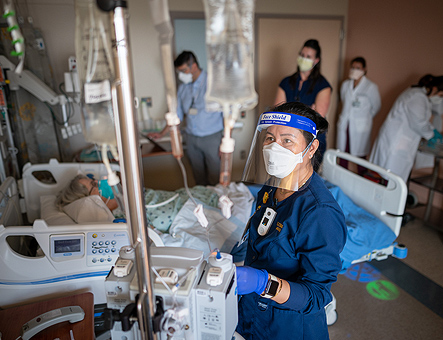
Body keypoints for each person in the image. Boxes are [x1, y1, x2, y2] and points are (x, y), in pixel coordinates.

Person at [235, 102, 347, 339]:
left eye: (287, 140)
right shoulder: (271, 188)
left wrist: (263, 283)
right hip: (254, 315)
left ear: (311, 147)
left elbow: (316, 295)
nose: (274, 147)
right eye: (269, 139)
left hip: (289, 327)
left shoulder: (320, 213)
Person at [148, 51, 224, 186]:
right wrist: (161, 133)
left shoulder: (213, 84)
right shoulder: (183, 88)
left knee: (215, 178)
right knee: (198, 177)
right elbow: (176, 115)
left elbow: (227, 115)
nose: (181, 75)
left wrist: (224, 141)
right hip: (191, 138)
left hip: (212, 138)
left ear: (193, 66)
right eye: (179, 72)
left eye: (183, 71)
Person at [369, 74, 443, 182]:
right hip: (395, 141)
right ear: (435, 89)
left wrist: (432, 130)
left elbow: (421, 120)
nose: (441, 99)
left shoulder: (420, 96)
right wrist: (431, 134)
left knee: (391, 177)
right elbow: (418, 123)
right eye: (442, 95)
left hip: (401, 141)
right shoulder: (417, 97)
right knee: (389, 175)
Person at [274, 39, 332, 168]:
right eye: (302, 55)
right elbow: (278, 113)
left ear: (316, 60)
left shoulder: (323, 86)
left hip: (311, 143)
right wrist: (307, 111)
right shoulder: (286, 82)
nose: (303, 59)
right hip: (286, 140)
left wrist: (290, 113)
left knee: (305, 180)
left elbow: (317, 119)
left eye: (308, 57)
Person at [336, 57, 381, 171]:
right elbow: (343, 100)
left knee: (360, 157)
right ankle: (341, 176)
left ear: (364, 69)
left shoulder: (371, 87)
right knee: (342, 154)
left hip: (360, 127)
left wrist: (364, 118)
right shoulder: (345, 85)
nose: (354, 70)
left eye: (358, 68)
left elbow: (376, 106)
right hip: (345, 123)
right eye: (352, 67)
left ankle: (362, 177)